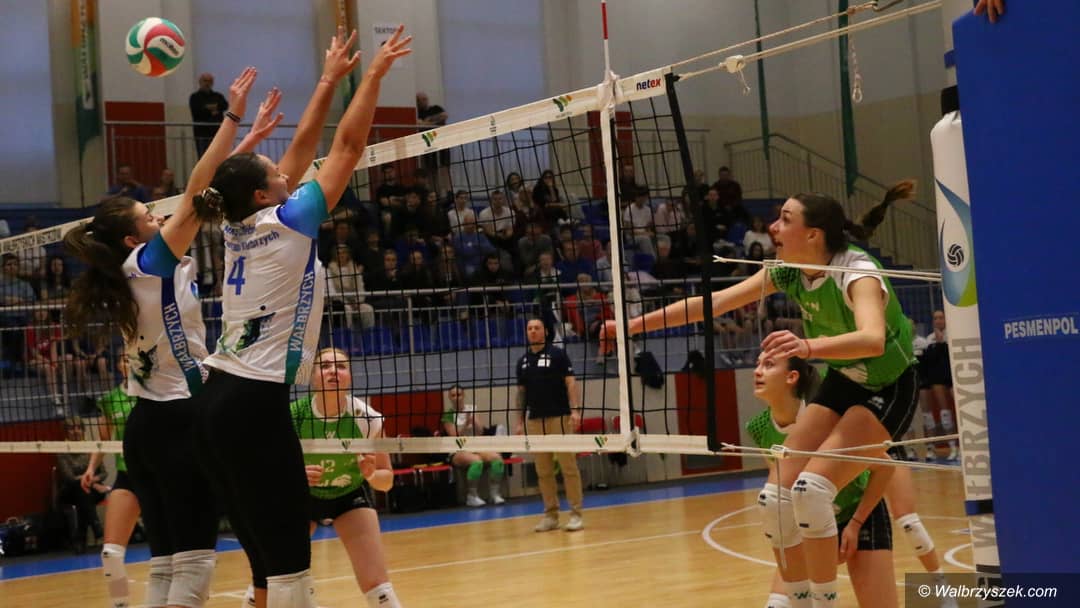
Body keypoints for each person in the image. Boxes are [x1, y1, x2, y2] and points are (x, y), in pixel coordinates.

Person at [603, 181, 920, 607]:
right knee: (776, 498)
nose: (773, 227)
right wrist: (631, 326)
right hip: (846, 379)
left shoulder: (856, 272)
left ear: (813, 235)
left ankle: (824, 600)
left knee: (810, 489)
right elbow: (714, 303)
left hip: (890, 385)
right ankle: (801, 599)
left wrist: (806, 346)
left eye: (785, 220)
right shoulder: (789, 271)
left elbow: (872, 339)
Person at [194, 28, 411, 608]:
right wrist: (371, 77)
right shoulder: (289, 221)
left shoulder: (238, 225)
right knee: (290, 557)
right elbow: (346, 148)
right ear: (263, 194)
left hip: (216, 396)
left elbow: (303, 149)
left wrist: (327, 79)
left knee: (264, 559)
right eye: (276, 173)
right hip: (254, 400)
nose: (286, 173)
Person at [63, 67, 281, 608]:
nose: (159, 215)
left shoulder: (123, 272)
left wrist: (245, 144)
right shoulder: (150, 262)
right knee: (195, 560)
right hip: (180, 417)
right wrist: (232, 117)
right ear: (134, 237)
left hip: (144, 426)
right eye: (148, 215)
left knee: (164, 562)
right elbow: (197, 192)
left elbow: (201, 196)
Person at [747, 353, 899, 608]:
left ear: (791, 377)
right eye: (757, 364)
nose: (757, 371)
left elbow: (885, 467)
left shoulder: (822, 417)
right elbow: (782, 488)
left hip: (858, 513)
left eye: (768, 365)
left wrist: (854, 524)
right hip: (807, 521)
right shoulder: (759, 427)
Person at [515, 318, 584, 532]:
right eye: (529, 328)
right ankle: (551, 515)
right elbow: (521, 394)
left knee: (568, 467)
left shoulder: (558, 354)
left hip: (559, 418)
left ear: (545, 331)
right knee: (543, 471)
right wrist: (519, 421)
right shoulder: (523, 361)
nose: (533, 331)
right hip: (535, 420)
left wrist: (575, 410)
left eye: (537, 328)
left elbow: (571, 383)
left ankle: (576, 514)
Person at [82, 357, 140, 608]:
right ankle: (120, 604)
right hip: (127, 476)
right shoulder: (110, 399)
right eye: (124, 359)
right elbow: (103, 440)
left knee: (174, 552)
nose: (129, 362)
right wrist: (91, 468)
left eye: (132, 358)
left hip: (160, 476)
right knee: (111, 553)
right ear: (119, 366)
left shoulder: (156, 392)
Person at [442, 384, 505, 507]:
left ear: (463, 395)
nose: (456, 398)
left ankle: (494, 494)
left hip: (476, 447)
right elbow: (454, 436)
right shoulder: (448, 415)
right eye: (453, 395)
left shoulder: (472, 410)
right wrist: (466, 424)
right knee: (476, 461)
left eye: (459, 394)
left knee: (497, 458)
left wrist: (474, 420)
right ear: (449, 398)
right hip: (457, 450)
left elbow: (481, 431)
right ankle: (472, 496)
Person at [56, 420, 107, 551]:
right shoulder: (62, 450)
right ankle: (96, 526)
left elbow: (104, 473)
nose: (76, 431)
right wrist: (93, 484)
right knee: (81, 491)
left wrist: (91, 481)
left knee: (83, 496)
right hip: (70, 491)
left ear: (83, 430)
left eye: (79, 427)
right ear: (66, 432)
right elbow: (69, 477)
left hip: (89, 492)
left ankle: (81, 538)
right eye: (71, 428)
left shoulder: (91, 447)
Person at [189, 73, 229, 158]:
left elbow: (225, 105)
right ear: (200, 82)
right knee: (203, 157)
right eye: (205, 81)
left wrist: (208, 107)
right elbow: (197, 111)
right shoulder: (195, 97)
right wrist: (214, 109)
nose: (207, 83)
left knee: (218, 157)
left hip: (217, 133)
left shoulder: (218, 96)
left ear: (212, 83)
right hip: (202, 134)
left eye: (210, 81)